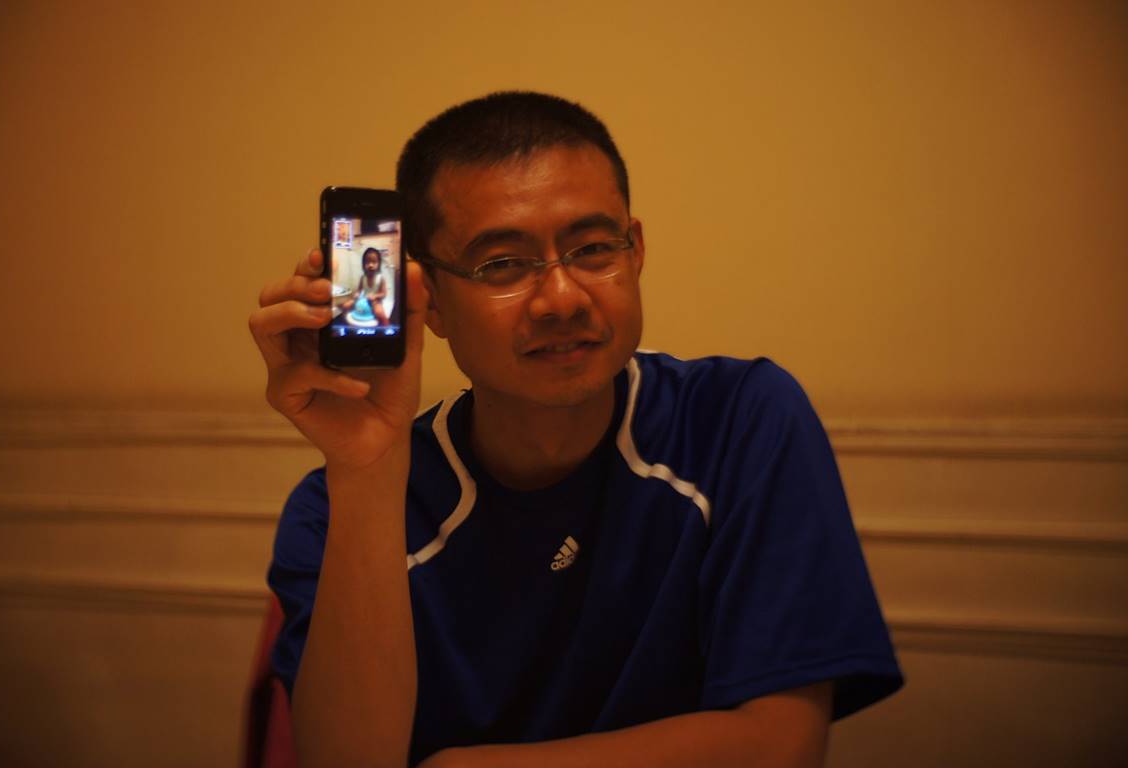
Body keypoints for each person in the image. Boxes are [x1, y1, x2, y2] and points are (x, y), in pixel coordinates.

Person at [248, 91, 903, 768]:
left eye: (592, 249)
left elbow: (782, 746)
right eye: (501, 264)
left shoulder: (737, 422)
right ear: (430, 300)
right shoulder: (333, 510)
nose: (562, 298)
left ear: (636, 250)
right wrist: (367, 469)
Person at [340, 246, 390, 326]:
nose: (370, 265)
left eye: (374, 262)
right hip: (363, 299)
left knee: (380, 313)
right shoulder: (363, 278)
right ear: (363, 264)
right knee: (346, 306)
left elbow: (384, 294)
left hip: (375, 301)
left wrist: (375, 296)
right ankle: (346, 326)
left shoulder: (380, 278)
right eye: (367, 262)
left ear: (379, 264)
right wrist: (357, 294)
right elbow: (359, 290)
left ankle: (386, 329)